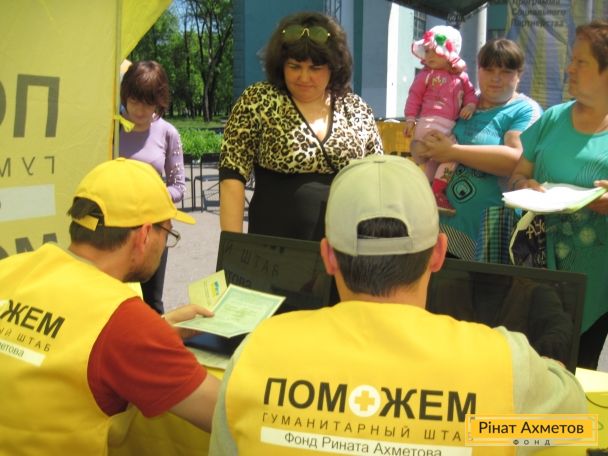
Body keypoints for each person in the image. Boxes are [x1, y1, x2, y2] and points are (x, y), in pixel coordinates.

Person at [209, 155, 585, 455]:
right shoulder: (507, 366)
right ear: (439, 253)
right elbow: (572, 428)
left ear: (328, 256)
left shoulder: (257, 353)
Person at [0, 158, 219, 455]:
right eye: (168, 233)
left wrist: (160, 328)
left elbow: (71, 335)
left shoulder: (10, 269)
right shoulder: (123, 321)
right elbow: (228, 416)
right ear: (144, 235)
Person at [219, 11, 383, 241]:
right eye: (294, 66)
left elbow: (378, 178)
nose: (304, 77)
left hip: (346, 249)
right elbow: (232, 176)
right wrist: (232, 248)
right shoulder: (258, 100)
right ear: (281, 65)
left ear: (334, 67)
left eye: (315, 68)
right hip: (274, 251)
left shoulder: (356, 108)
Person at [509, 20, 608, 369]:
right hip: (537, 271)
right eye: (571, 60)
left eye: (581, 62)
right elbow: (518, 175)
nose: (570, 69)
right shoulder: (552, 118)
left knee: (579, 371)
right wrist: (524, 187)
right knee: (532, 369)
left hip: (596, 283)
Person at [418, 39, 542, 261]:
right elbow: (424, 147)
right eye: (489, 70)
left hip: (488, 234)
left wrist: (452, 152)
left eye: (505, 72)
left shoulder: (525, 110)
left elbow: (517, 161)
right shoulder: (463, 100)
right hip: (435, 229)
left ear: (519, 74)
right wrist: (425, 143)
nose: (496, 78)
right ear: (479, 69)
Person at [118, 60, 187, 313]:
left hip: (154, 230)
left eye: (148, 103)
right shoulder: (111, 129)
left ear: (159, 101)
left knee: (152, 303)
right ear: (125, 96)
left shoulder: (168, 133)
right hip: (116, 229)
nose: (139, 109)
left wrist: (147, 196)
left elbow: (179, 187)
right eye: (134, 100)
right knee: (114, 301)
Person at [404, 25, 477, 214]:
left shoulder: (461, 77)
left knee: (434, 161)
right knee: (452, 154)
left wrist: (470, 106)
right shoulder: (426, 74)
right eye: (427, 51)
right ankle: (437, 192)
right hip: (431, 123)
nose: (429, 56)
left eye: (434, 51)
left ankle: (427, 192)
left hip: (444, 125)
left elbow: (471, 94)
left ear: (449, 52)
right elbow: (414, 96)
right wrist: (410, 118)